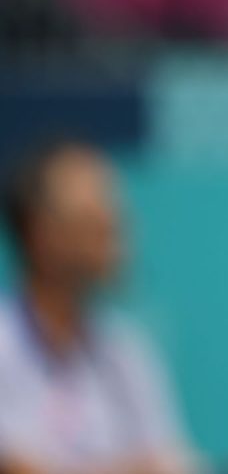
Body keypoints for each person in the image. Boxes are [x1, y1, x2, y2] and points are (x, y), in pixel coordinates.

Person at [0, 140, 195, 474]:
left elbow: (172, 464)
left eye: (113, 213)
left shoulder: (126, 351)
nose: (112, 229)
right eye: (91, 215)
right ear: (38, 231)